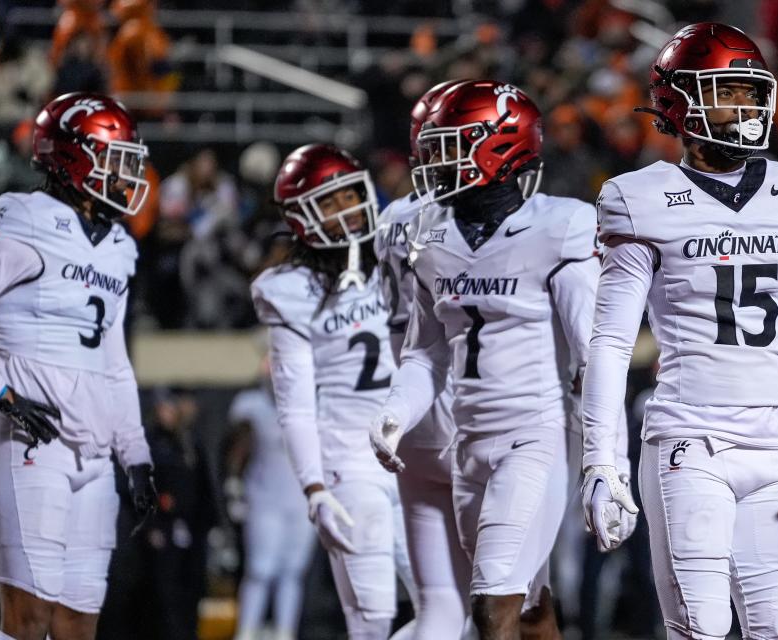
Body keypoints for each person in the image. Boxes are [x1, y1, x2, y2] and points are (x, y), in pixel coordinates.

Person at [580, 23, 778, 640]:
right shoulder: (640, 197)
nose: (745, 107)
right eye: (726, 91)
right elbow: (609, 343)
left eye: (749, 91)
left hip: (774, 447)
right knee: (700, 629)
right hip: (689, 441)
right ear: (679, 102)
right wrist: (600, 458)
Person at [369, 80, 631, 639]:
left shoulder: (560, 226)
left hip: (532, 438)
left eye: (448, 145)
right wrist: (394, 414)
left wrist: (610, 464)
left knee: (491, 609)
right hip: (466, 447)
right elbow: (427, 351)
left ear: (498, 146)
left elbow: (597, 355)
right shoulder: (431, 238)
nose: (431, 161)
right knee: (531, 608)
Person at [0, 92, 158, 640]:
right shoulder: (28, 220)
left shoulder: (118, 243)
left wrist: (135, 454)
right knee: (27, 624)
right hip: (31, 442)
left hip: (94, 453)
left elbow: (113, 361)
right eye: (114, 157)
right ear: (74, 157)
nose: (127, 174)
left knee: (76, 627)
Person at [250, 143, 414, 639]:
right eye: (329, 203)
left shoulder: (398, 255)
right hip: (352, 460)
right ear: (302, 216)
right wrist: (315, 488)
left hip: (418, 458)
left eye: (348, 195)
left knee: (454, 608)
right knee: (373, 619)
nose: (345, 210)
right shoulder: (290, 289)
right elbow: (295, 407)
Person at [374, 79, 473, 639]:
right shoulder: (460, 219)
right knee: (501, 603)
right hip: (468, 405)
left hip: (413, 410)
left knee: (442, 608)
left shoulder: (392, 219)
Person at [229, 373, 316, 640]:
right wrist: (234, 484)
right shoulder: (253, 405)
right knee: (260, 570)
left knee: (292, 572)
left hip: (301, 499)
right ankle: (246, 631)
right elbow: (238, 447)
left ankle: (284, 631)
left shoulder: (314, 406)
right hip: (264, 498)